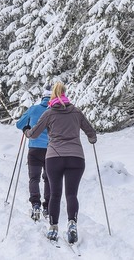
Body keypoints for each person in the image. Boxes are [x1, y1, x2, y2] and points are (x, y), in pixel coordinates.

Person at [24, 81, 97, 244]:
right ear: (65, 94)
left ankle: (53, 228)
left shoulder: (49, 113)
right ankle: (72, 223)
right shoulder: (76, 112)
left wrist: (27, 132)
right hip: (76, 158)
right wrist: (92, 139)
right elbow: (90, 131)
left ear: (53, 96)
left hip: (54, 157)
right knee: (71, 194)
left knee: (55, 194)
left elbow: (34, 133)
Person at [15, 85, 52, 221]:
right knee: (48, 179)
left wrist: (27, 127)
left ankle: (35, 205)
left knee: (34, 178)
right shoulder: (54, 111)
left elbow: (19, 124)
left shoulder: (34, 109)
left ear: (42, 97)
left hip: (34, 149)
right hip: (51, 150)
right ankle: (47, 207)